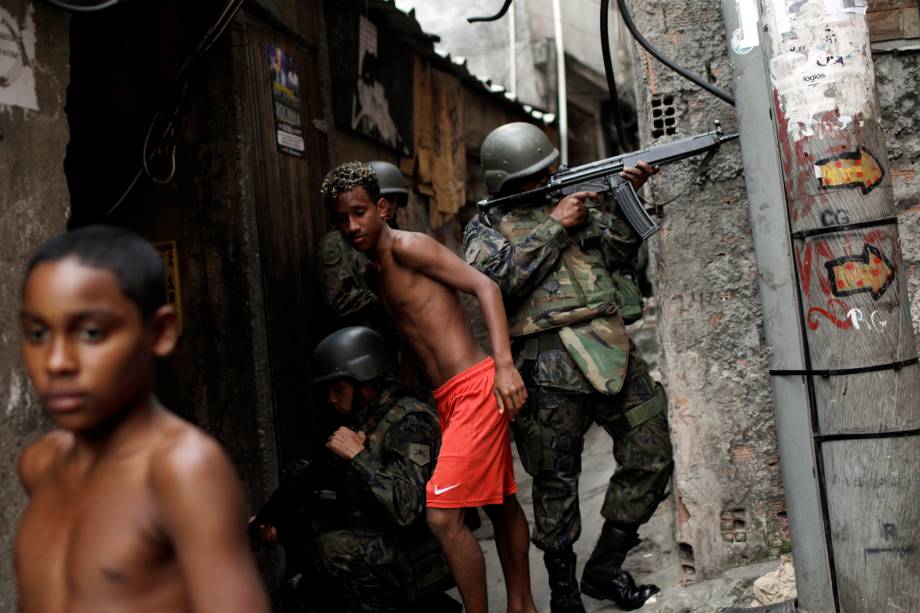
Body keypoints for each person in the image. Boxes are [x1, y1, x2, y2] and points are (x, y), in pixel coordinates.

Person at [463, 122, 674, 612]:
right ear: (510, 183)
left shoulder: (579, 209)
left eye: (550, 170)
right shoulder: (486, 228)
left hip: (610, 347)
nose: (551, 177)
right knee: (556, 483)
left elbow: (621, 252)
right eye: (539, 174)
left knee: (651, 452)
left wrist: (625, 197)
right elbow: (498, 281)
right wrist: (556, 223)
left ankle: (604, 568)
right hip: (545, 366)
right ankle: (563, 594)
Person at [13, 225, 270, 613]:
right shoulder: (40, 465)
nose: (56, 362)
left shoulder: (181, 470)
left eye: (92, 332)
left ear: (161, 332)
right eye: (37, 333)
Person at [321, 161, 537, 613]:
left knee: (442, 516)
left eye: (359, 212)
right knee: (499, 502)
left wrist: (503, 367)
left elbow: (486, 288)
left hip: (476, 386)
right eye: (341, 219)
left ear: (382, 207)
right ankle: (523, 605)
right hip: (448, 399)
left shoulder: (408, 247)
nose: (352, 225)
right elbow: (416, 342)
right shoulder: (376, 273)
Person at [252, 326, 459, 613]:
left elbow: (407, 508)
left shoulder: (410, 423)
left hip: (426, 552)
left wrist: (357, 456)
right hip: (393, 545)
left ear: (366, 384)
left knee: (333, 548)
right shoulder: (366, 421)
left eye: (338, 389)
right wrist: (282, 527)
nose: (331, 400)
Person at [318, 160, 408, 325]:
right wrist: (391, 296)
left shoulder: (400, 237)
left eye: (391, 200)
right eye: (382, 198)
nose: (387, 206)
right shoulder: (339, 241)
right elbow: (339, 301)